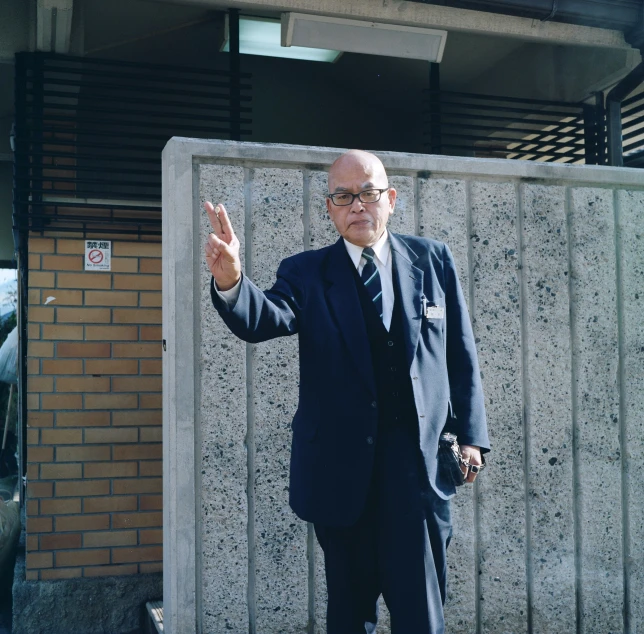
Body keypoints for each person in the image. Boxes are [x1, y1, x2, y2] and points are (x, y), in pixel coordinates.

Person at [205, 149, 490, 634]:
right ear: (329, 207)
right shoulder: (306, 272)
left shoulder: (433, 259)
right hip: (340, 475)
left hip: (416, 474)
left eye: (369, 193)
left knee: (422, 616)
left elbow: (460, 354)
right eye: (343, 196)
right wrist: (231, 279)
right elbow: (265, 318)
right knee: (349, 617)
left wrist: (472, 439)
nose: (357, 205)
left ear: (391, 199)